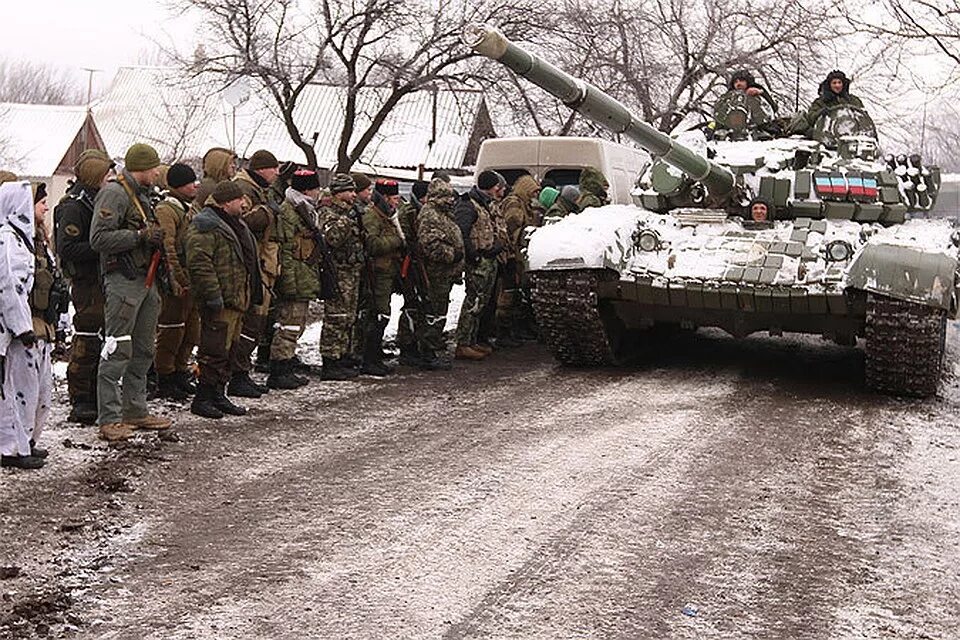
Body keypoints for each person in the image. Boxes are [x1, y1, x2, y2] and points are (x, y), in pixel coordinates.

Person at [89, 143, 172, 442]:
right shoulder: (115, 193)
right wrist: (139, 236)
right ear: (141, 167)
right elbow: (98, 238)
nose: (157, 173)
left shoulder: (143, 195)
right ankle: (109, 418)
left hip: (145, 280)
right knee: (117, 348)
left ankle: (135, 410)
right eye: (153, 168)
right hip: (124, 280)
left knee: (143, 349)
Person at [184, 181, 260, 418]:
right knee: (214, 350)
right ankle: (203, 397)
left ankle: (218, 393)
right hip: (221, 299)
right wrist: (213, 295)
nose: (244, 204)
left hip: (236, 298)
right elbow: (199, 263)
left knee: (229, 350)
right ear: (227, 202)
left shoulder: (234, 224)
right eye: (240, 200)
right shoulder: (206, 225)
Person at [54, 149, 114, 424]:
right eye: (106, 173)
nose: (110, 178)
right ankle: (80, 397)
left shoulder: (97, 200)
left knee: (102, 337)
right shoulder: (74, 206)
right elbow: (68, 248)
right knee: (88, 337)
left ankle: (94, 393)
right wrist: (104, 246)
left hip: (102, 278)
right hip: (86, 281)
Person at [0, 182, 48, 469]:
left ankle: (23, 440)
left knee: (31, 390)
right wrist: (22, 327)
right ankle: (10, 447)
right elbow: (9, 287)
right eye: (38, 201)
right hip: (10, 329)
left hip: (18, 325)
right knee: (13, 389)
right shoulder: (7, 241)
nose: (43, 206)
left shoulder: (21, 239)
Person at [229, 149, 281, 398]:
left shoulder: (258, 189)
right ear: (261, 169)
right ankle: (237, 374)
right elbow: (240, 223)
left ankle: (241, 372)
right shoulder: (244, 188)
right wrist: (267, 213)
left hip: (262, 262)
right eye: (274, 168)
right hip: (253, 264)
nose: (277, 173)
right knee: (250, 321)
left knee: (256, 322)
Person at [267, 169, 324, 390]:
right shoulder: (291, 212)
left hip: (303, 275)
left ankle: (287, 364)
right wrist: (289, 283)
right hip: (296, 277)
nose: (319, 192)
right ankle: (279, 370)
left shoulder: (305, 209)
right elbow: (287, 251)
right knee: (288, 325)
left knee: (296, 325)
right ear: (308, 190)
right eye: (316, 188)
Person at [154, 163, 200, 400]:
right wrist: (177, 278)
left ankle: (181, 371)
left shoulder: (188, 208)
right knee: (171, 330)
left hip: (190, 277)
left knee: (191, 330)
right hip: (175, 279)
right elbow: (167, 246)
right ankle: (165, 376)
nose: (196, 185)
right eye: (190, 182)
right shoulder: (167, 209)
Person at [453, 170, 505, 360]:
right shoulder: (468, 205)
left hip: (488, 259)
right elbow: (461, 233)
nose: (498, 190)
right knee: (473, 302)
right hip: (478, 261)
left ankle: (472, 340)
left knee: (481, 302)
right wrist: (473, 256)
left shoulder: (485, 204)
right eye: (496, 186)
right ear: (489, 187)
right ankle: (463, 343)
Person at [414, 179, 465, 370]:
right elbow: (430, 245)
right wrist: (453, 255)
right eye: (447, 196)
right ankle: (427, 352)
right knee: (433, 314)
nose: (451, 200)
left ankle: (430, 350)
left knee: (438, 313)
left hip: (445, 273)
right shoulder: (430, 215)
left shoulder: (443, 214)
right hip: (435, 273)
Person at [318, 173, 364, 380]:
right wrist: (348, 219)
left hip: (352, 271)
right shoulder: (328, 212)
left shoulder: (350, 211)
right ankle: (330, 360)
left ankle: (343, 354)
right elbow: (332, 238)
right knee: (336, 317)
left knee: (349, 317)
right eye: (350, 191)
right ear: (339, 193)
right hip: (337, 272)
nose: (354, 195)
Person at [360, 179, 405, 377]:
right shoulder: (372, 216)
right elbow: (373, 245)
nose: (397, 202)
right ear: (385, 197)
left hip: (388, 271)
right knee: (379, 313)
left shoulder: (388, 215)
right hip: (377, 273)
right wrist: (397, 241)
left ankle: (375, 352)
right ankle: (369, 359)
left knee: (383, 313)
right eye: (394, 198)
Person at [497, 174, 541, 345]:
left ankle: (514, 329)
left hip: (519, 255)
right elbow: (512, 230)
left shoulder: (523, 204)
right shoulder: (515, 204)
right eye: (533, 192)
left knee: (516, 293)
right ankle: (504, 332)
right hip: (513, 255)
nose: (535, 196)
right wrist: (512, 256)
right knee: (508, 294)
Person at [395, 179, 429, 365]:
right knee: (411, 305)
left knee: (419, 305)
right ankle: (407, 345)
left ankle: (415, 342)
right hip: (408, 265)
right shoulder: (408, 212)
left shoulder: (419, 211)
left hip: (418, 264)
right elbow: (406, 239)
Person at [192, 147, 237, 215]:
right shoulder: (209, 187)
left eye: (233, 163)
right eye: (229, 163)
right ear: (219, 164)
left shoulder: (226, 184)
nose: (233, 166)